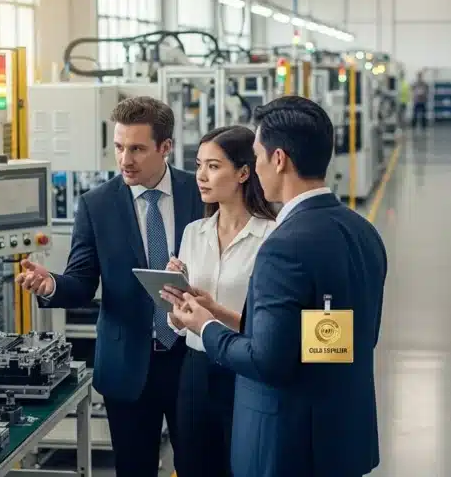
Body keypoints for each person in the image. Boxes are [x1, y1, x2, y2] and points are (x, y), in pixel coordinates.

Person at [165, 95, 388, 477]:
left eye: (257, 156)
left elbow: (266, 360)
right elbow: (334, 338)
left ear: (279, 159)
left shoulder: (282, 245)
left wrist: (206, 326)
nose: (256, 166)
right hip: (342, 437)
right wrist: (219, 312)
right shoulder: (362, 231)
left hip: (288, 444)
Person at [15, 96, 204, 475]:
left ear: (165, 147)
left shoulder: (199, 193)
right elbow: (82, 283)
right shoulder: (97, 205)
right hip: (128, 364)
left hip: (192, 359)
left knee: (200, 466)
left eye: (137, 149)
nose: (124, 159)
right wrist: (51, 285)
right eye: (119, 147)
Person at [162, 125, 278, 477]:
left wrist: (213, 313)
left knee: (240, 466)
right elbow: (177, 324)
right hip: (195, 370)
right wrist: (177, 308)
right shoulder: (193, 233)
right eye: (199, 165)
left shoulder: (271, 237)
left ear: (243, 172)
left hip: (243, 370)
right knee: (192, 465)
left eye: (213, 166)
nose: (201, 176)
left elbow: (265, 326)